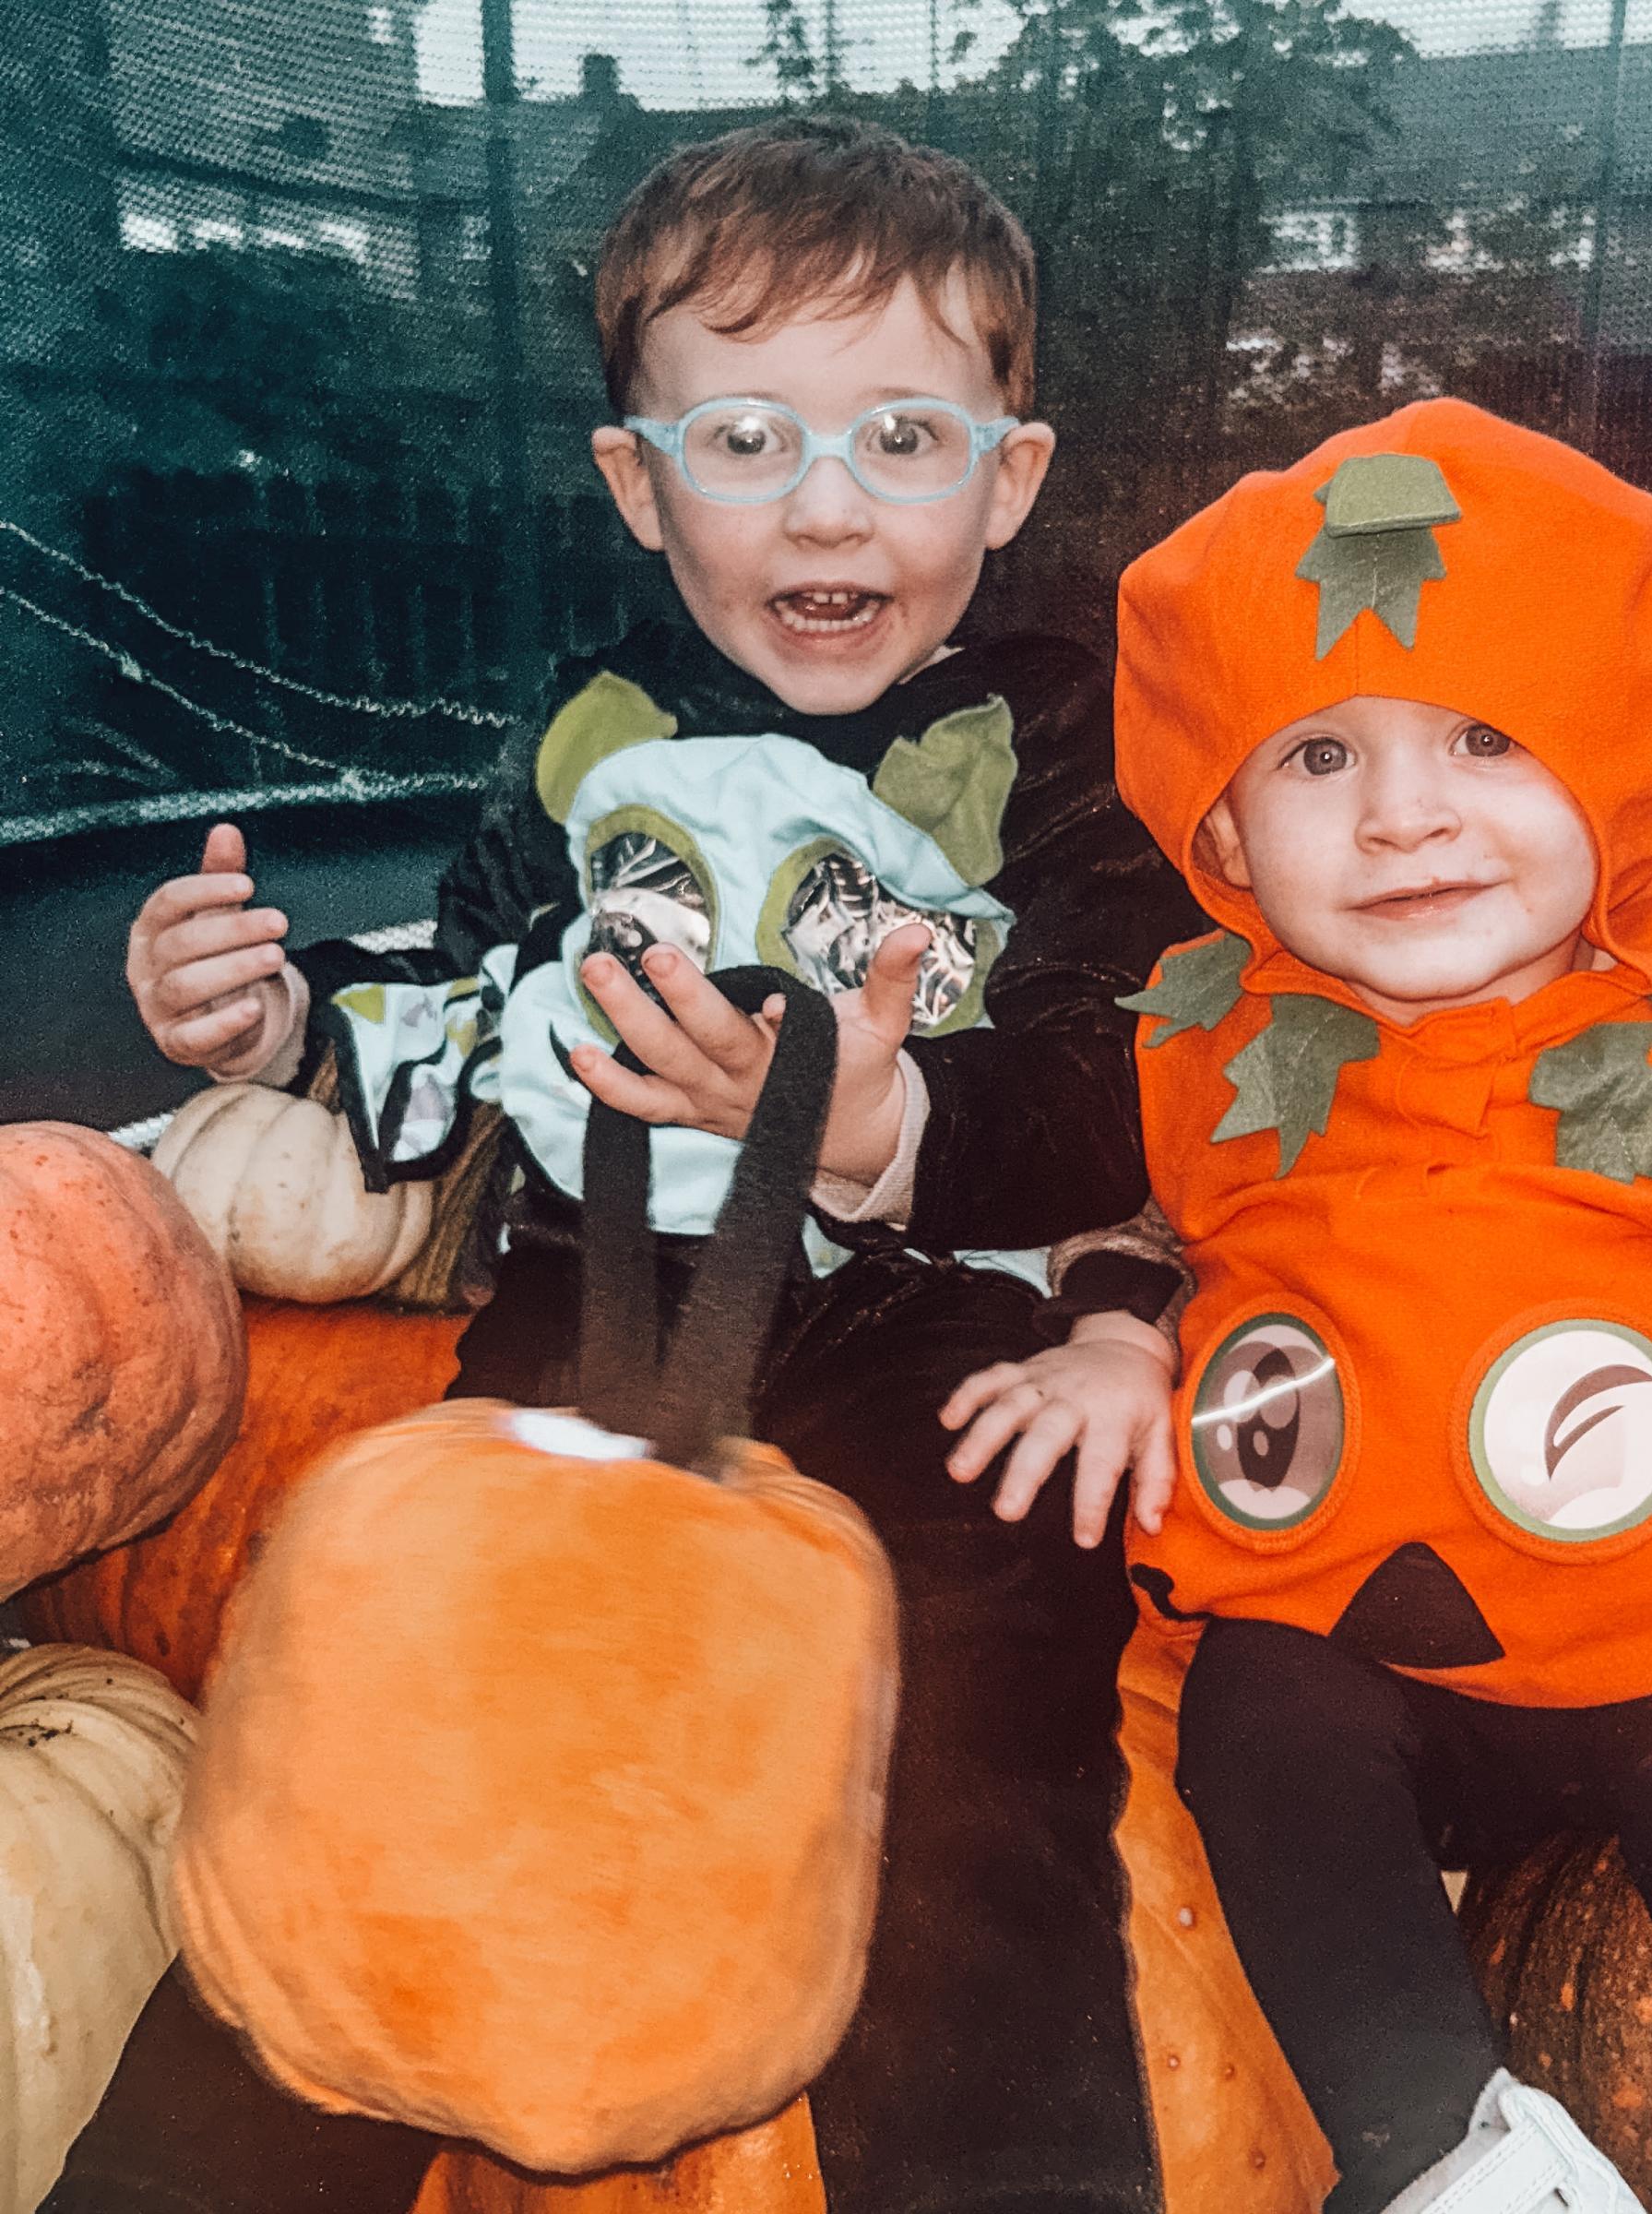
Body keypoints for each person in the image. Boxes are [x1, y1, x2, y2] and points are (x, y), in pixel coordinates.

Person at [94, 117, 1199, 2214]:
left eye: (900, 438)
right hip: (595, 1306)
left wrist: (885, 1129)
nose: (829, 505)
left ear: (1009, 475)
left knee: (982, 1712)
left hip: (927, 1325)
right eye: (749, 443)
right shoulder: (588, 733)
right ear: (640, 483)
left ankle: (1007, 2173)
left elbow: (1118, 1069)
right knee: (414, 1706)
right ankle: (203, 2163)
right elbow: (476, 989)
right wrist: (286, 1022)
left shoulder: (1062, 748)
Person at [945, 399, 1652, 2214]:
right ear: (1221, 813)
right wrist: (1113, 1335)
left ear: (1610, 760)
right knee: (1259, 1731)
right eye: (1318, 756)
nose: (1406, 819)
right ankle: (1445, 2155)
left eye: (1483, 736)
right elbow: (1137, 1220)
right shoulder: (1210, 1032)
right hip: (1376, 1628)